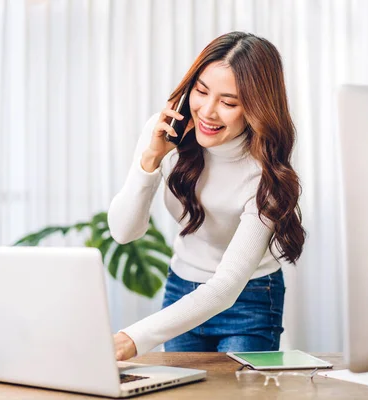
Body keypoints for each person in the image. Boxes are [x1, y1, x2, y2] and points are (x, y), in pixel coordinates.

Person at [108, 31, 306, 361]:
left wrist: (134, 337)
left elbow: (226, 287)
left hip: (249, 297)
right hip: (180, 288)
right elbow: (124, 232)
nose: (208, 111)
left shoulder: (265, 174)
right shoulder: (165, 133)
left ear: (257, 108)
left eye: (228, 102)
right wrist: (151, 160)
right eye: (201, 91)